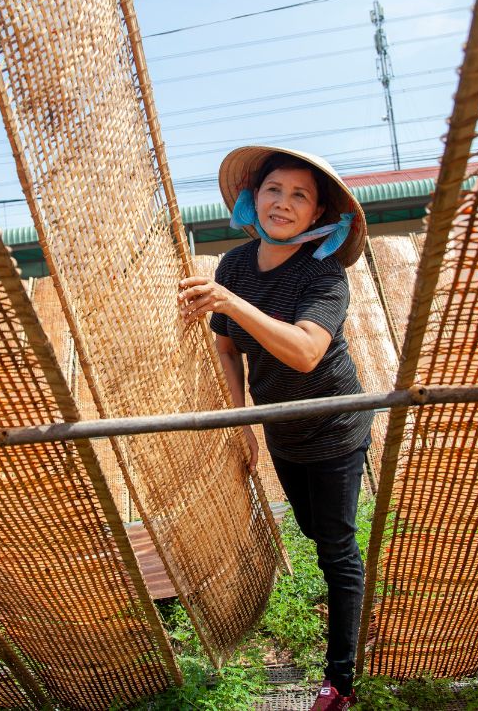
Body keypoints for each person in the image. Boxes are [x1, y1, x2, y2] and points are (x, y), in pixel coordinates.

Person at [177, 145, 372, 711]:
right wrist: (241, 422)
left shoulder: (323, 272)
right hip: (281, 429)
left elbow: (308, 352)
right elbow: (224, 343)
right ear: (251, 200)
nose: (283, 203)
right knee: (313, 534)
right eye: (273, 190)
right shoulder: (235, 265)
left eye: (300, 195)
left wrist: (233, 305)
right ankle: (347, 602)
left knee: (336, 548)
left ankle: (341, 681)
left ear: (317, 215)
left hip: (334, 426)